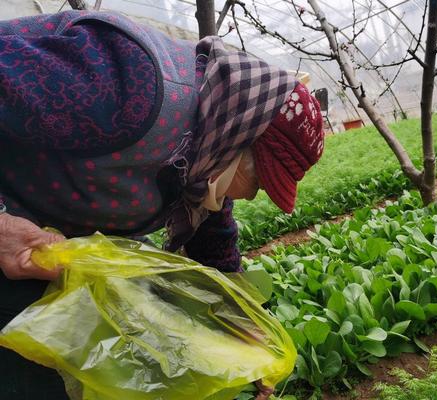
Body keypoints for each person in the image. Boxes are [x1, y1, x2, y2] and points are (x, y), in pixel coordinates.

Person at [0, 9, 325, 399]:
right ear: (240, 137)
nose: (249, 196)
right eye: (258, 182)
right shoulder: (123, 87)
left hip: (40, 249)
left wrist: (238, 326)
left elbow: (212, 231)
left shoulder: (204, 145)